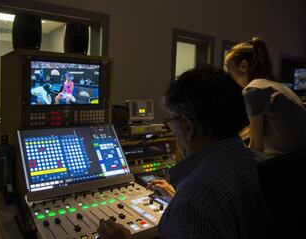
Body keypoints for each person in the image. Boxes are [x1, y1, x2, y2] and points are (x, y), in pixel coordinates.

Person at [97, 65, 271, 239]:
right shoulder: (264, 163)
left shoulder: (192, 203)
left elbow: (200, 210)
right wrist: (178, 200)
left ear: (188, 126)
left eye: (172, 123)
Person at [224, 37, 306, 155]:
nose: (227, 74)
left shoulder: (253, 90)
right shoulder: (275, 86)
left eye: (228, 68)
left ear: (243, 66)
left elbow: (256, 148)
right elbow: (255, 129)